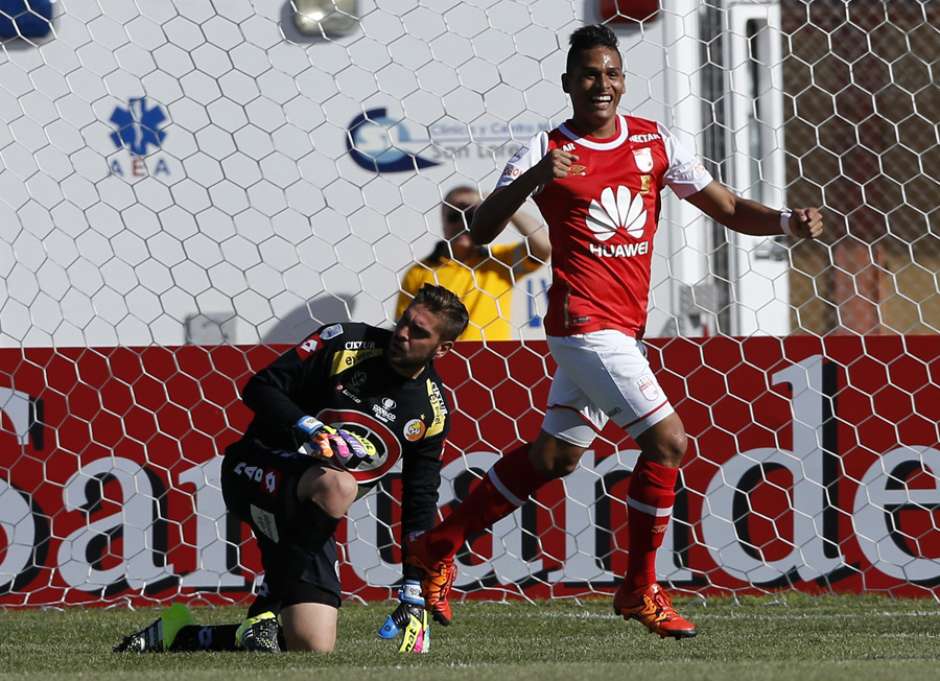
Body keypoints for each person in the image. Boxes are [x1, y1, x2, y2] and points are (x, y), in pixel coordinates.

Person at [405, 24, 824, 639]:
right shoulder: (545, 148)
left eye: (612, 73)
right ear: (568, 83)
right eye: (589, 74)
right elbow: (485, 226)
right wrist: (537, 177)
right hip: (584, 324)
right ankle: (639, 588)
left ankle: (435, 547)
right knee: (669, 443)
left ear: (623, 81)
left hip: (622, 329)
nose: (601, 84)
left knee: (555, 456)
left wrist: (787, 221)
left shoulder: (655, 142)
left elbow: (730, 209)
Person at [115, 284, 469, 654]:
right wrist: (310, 427)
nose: (402, 333)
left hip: (310, 519)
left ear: (442, 348)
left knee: (313, 645)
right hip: (256, 468)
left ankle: (180, 635)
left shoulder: (431, 412)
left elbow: (419, 500)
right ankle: (263, 610)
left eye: (419, 332)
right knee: (340, 486)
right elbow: (260, 387)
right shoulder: (345, 343)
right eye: (404, 321)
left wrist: (413, 588)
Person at [396, 185, 550, 341]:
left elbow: (543, 246)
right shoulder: (419, 271)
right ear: (443, 222)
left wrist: (502, 203)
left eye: (471, 216)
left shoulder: (500, 261)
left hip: (492, 355)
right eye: (454, 216)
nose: (463, 224)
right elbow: (402, 329)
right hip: (441, 356)